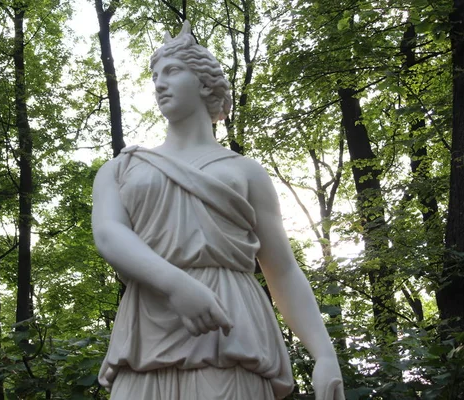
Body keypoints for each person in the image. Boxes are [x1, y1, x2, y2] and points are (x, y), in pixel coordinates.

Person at [92, 20, 345, 400]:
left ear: (205, 83)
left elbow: (283, 269)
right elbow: (109, 234)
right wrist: (175, 285)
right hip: (148, 326)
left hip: (230, 329)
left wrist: (324, 354)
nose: (159, 83)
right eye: (155, 75)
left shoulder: (244, 171)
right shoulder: (121, 168)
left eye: (173, 71)